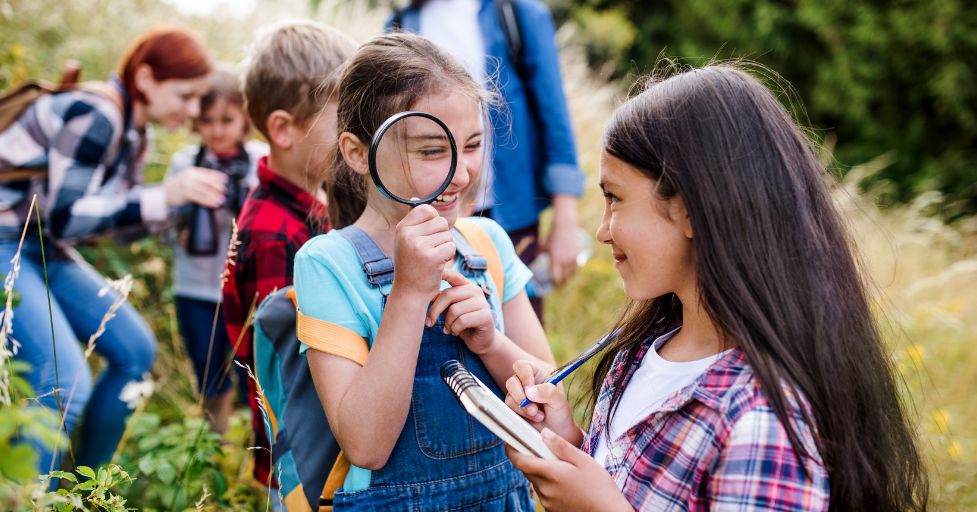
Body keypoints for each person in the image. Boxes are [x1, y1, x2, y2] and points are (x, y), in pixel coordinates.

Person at [503, 65, 929, 511]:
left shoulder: (762, 419)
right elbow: (630, 483)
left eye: (615, 198)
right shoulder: (641, 349)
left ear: (689, 209)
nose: (602, 231)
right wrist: (567, 442)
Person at [293, 33, 555, 510]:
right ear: (357, 153)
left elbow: (550, 408)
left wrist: (491, 343)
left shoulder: (488, 245)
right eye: (433, 151)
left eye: (472, 144)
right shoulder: (327, 264)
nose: (461, 174)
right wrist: (409, 295)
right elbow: (367, 446)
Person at [0, 26, 223, 474]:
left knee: (136, 351)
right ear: (145, 79)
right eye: (185, 95)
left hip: (43, 244)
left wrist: (177, 212)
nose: (193, 110)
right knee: (61, 379)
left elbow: (108, 225)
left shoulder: (134, 134)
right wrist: (163, 196)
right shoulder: (97, 113)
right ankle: (27, 498)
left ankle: (83, 489)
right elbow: (67, 216)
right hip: (7, 239)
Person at [220, 20, 354, 504]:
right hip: (308, 467)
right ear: (283, 129)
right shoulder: (274, 234)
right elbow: (295, 375)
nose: (353, 135)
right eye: (342, 119)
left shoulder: (312, 206)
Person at [389, 0, 585, 320]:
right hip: (431, 209)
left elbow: (554, 114)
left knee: (518, 326)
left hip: (511, 216)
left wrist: (565, 217)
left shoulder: (517, 14)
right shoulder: (400, 22)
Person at [164, 67, 265, 434]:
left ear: (244, 120)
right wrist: (184, 230)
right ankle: (214, 449)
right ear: (195, 122)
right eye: (207, 121)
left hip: (246, 289)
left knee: (254, 379)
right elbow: (163, 224)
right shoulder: (185, 164)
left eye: (227, 119)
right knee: (209, 375)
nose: (218, 130)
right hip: (195, 287)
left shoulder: (258, 162)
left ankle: (257, 452)